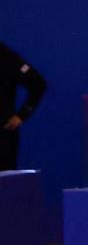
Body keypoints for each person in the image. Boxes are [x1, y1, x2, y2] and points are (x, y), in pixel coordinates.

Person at [0, 40, 46, 171]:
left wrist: (22, 115)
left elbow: (38, 84)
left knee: (5, 185)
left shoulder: (7, 57)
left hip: (3, 134)